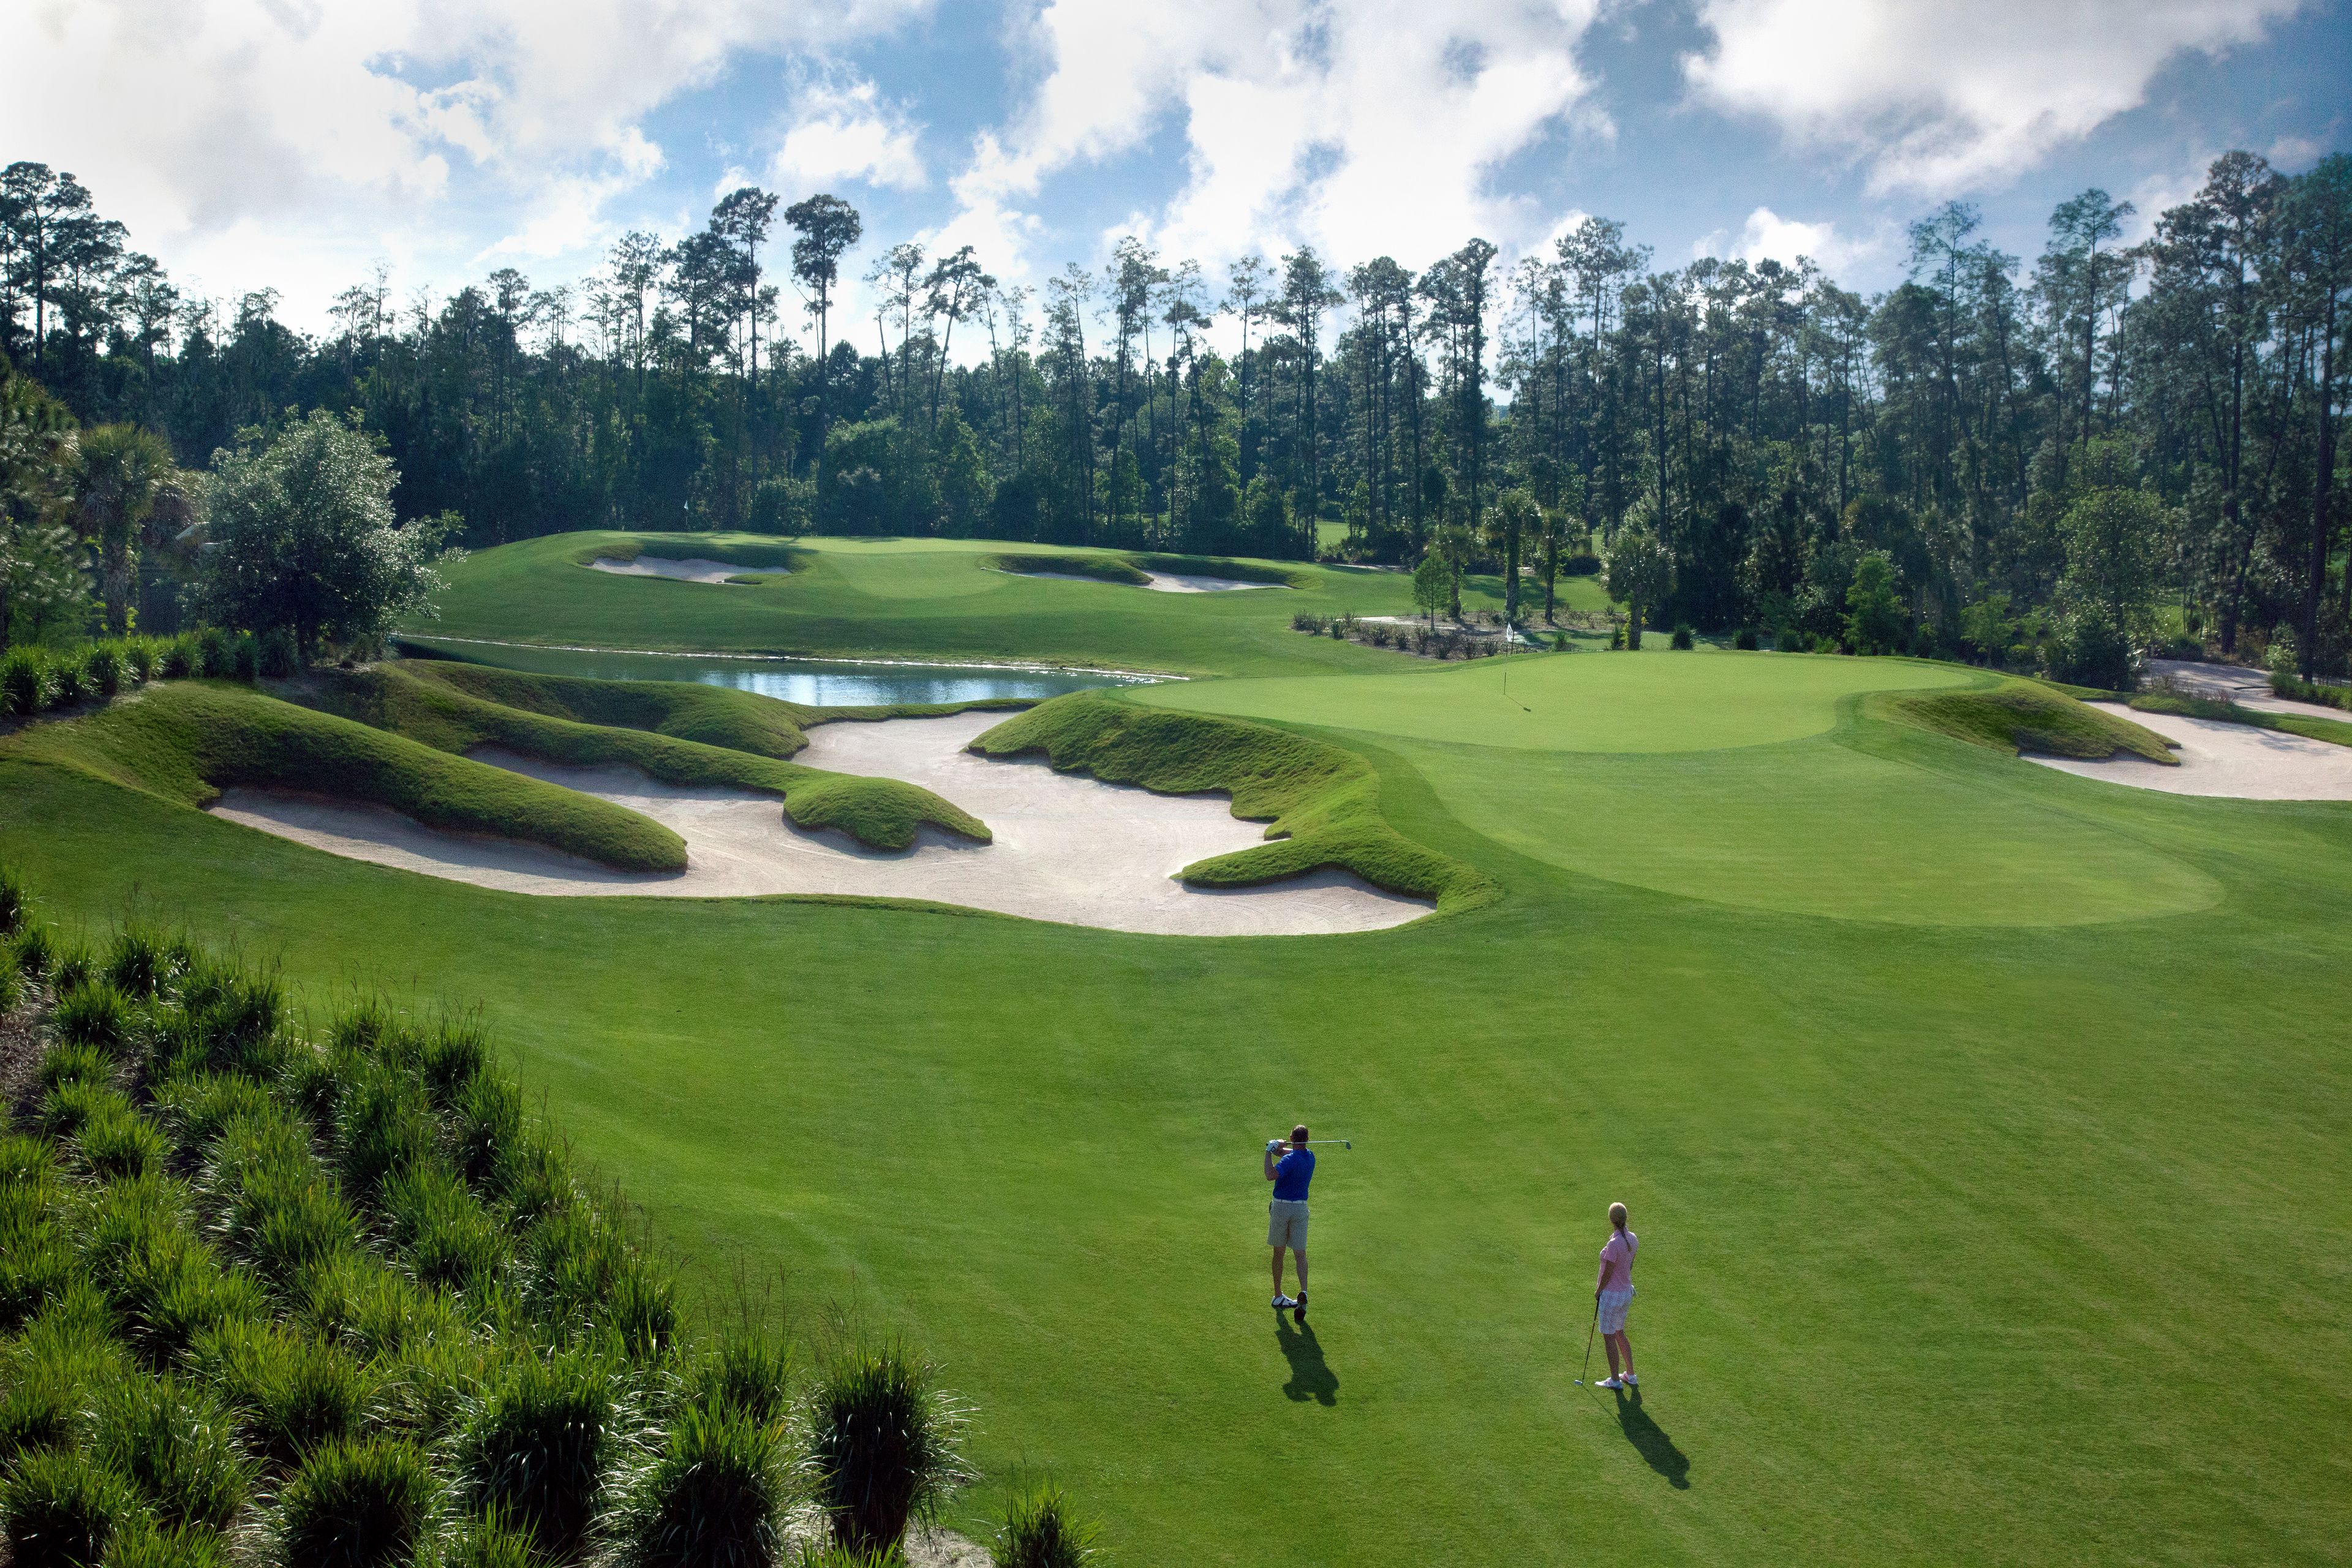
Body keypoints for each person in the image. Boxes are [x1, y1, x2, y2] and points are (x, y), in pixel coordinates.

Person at [1264, 1125, 1314, 1322]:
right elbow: (1290, 1153)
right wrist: (1278, 1147)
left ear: (1292, 1137)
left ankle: (1278, 1296)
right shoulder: (1310, 1157)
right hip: (1301, 1210)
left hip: (1282, 1209)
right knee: (1300, 1254)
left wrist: (1269, 1152)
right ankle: (1304, 1292)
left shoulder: (1288, 1160)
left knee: (1279, 1252)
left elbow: (1270, 1175)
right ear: (1308, 1140)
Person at [1594, 1200, 1639, 1390]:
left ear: (1611, 1220)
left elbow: (1608, 1273)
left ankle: (1614, 1380)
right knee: (1620, 1332)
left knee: (1609, 1336)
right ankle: (1630, 1375)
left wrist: (1598, 1291)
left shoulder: (1614, 1244)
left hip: (1612, 1295)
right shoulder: (1632, 1239)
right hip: (1626, 1293)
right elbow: (1629, 1266)